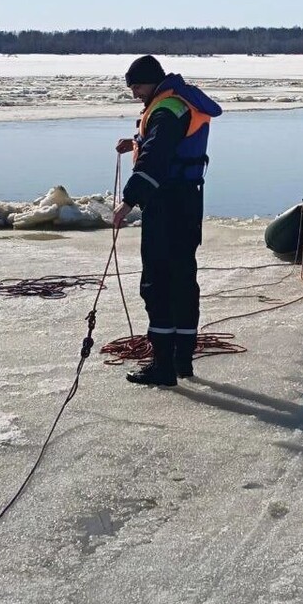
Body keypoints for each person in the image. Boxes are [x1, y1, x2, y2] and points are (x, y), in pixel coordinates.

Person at [114, 55, 222, 386]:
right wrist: (133, 141)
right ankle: (181, 361)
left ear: (151, 82)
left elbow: (155, 160)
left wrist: (128, 201)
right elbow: (168, 144)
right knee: (183, 279)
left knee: (158, 283)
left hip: (167, 202)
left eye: (136, 87)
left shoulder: (165, 109)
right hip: (188, 200)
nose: (134, 94)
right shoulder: (178, 102)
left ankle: (163, 366)